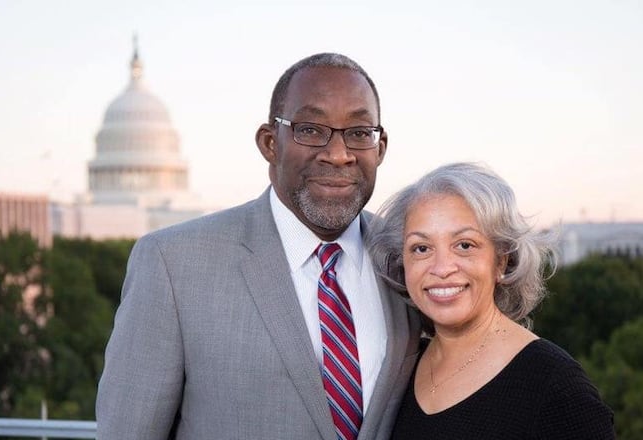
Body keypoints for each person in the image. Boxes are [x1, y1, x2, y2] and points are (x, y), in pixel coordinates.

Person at [95, 53, 421, 440]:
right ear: (270, 143)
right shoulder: (172, 265)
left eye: (359, 132)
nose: (338, 154)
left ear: (380, 148)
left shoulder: (407, 260)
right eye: (311, 129)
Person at [369, 162, 615, 439]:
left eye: (464, 245)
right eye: (421, 248)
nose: (441, 268)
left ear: (501, 261)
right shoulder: (399, 368)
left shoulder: (555, 387)